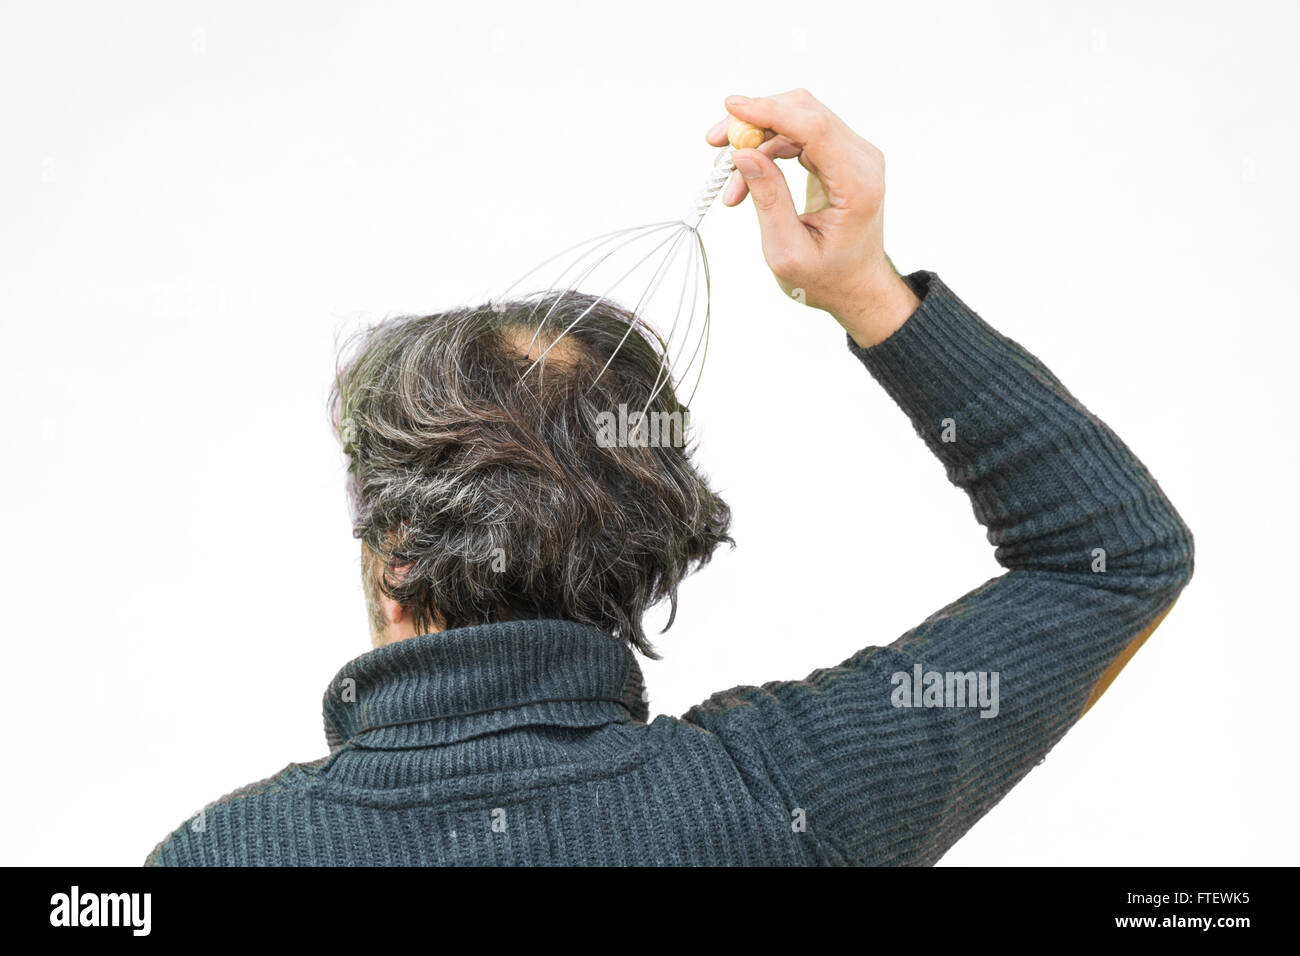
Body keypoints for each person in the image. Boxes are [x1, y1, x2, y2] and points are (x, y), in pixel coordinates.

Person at [146, 89, 1193, 866]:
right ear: (650, 545)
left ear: (393, 554)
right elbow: (1108, 557)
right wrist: (867, 290)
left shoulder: (221, 855)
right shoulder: (782, 795)